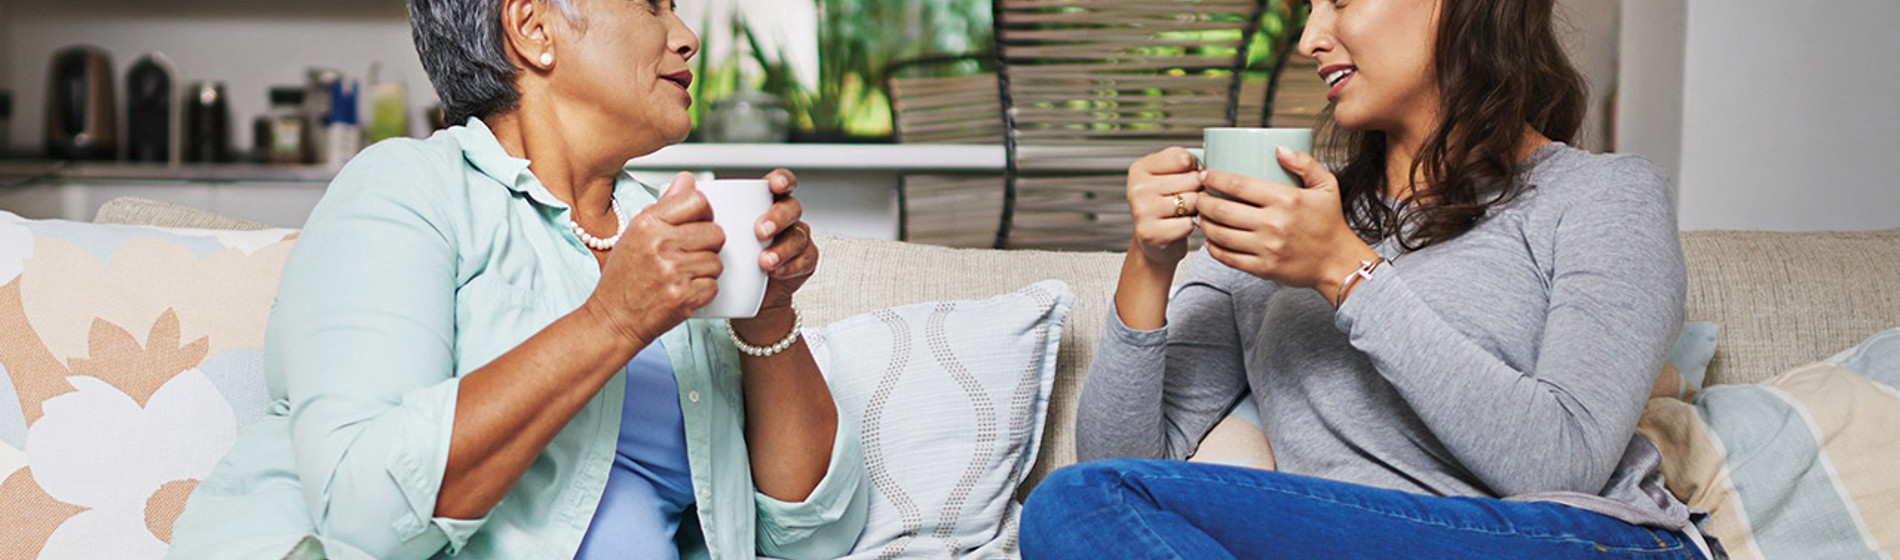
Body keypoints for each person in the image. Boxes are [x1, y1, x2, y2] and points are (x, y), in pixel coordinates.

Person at [165, 0, 866, 558]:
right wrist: (614, 321)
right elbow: (366, 519)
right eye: (651, 5)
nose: (686, 36)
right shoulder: (408, 191)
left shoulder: (671, 232)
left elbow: (815, 534)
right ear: (534, 28)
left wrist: (766, 315)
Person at [1021, 0, 1717, 558]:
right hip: (1352, 536)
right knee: (1076, 507)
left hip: (1577, 540)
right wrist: (1151, 260)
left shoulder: (1603, 195)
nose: (1309, 38)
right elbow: (1121, 470)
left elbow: (1560, 464)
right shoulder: (1284, 225)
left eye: (1340, 1)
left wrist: (1342, 270)